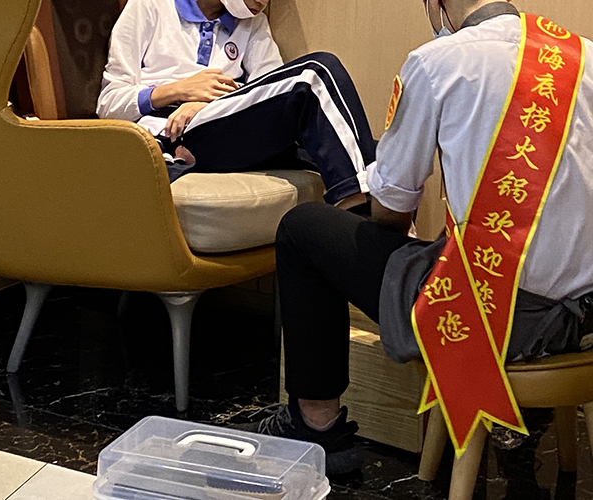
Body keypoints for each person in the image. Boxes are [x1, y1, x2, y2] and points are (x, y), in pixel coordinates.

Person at [243, 0, 593, 462]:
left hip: (506, 320)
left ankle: (316, 425)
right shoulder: (583, 55)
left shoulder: (439, 62)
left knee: (303, 229)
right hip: (586, 316)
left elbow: (391, 209)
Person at [97, 0, 377, 206]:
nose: (263, 2)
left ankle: (367, 218)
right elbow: (109, 103)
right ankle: (364, 212)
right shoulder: (149, 6)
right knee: (315, 73)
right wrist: (178, 91)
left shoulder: (253, 23)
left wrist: (213, 103)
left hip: (221, 122)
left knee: (366, 145)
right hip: (174, 131)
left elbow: (270, 92)